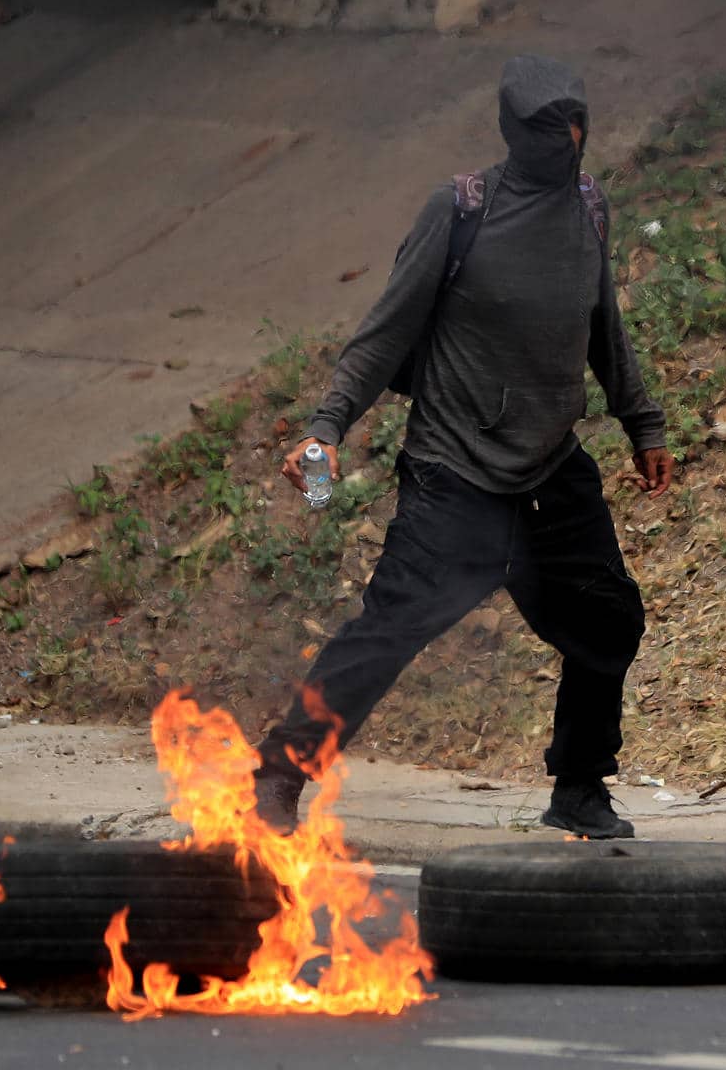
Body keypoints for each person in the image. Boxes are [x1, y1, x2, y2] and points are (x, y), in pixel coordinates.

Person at [254, 54, 675, 839]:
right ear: (513, 132)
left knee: (609, 621)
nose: (568, 139)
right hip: (455, 472)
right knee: (389, 630)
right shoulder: (459, 211)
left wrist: (640, 422)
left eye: (577, 122)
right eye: (549, 127)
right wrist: (326, 426)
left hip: (551, 470)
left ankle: (579, 788)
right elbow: (384, 333)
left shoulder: (590, 207)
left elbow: (602, 325)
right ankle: (280, 774)